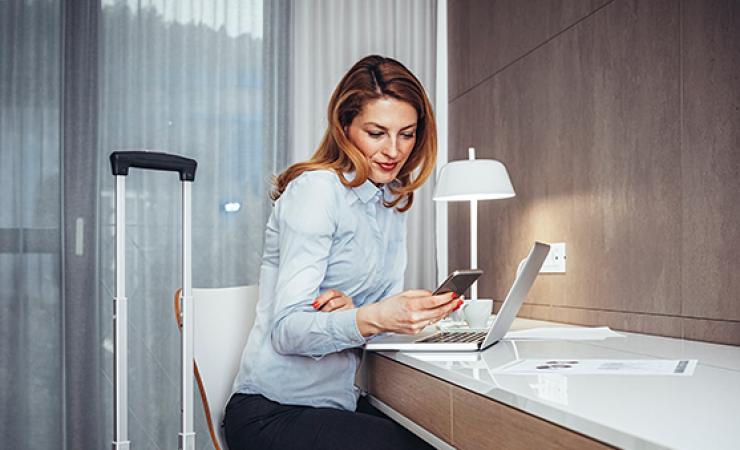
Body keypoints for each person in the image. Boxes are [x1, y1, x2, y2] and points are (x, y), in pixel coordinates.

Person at [224, 55, 462, 450]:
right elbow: (287, 331)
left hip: (337, 405)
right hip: (272, 411)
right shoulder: (318, 191)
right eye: (376, 132)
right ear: (345, 127)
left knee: (444, 438)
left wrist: (365, 313)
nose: (393, 150)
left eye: (407, 134)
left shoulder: (389, 201)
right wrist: (370, 316)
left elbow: (365, 322)